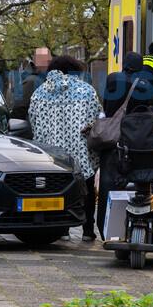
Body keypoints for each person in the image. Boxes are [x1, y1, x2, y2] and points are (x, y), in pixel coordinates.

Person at [29, 56, 101, 241]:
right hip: (81, 152)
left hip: (51, 156)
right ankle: (87, 230)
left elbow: (33, 121)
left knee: (56, 190)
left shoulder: (39, 93)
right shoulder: (86, 91)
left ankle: (62, 229)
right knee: (87, 189)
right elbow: (97, 118)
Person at [97, 51, 153, 239]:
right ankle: (129, 226)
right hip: (135, 141)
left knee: (107, 182)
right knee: (136, 182)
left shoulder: (113, 79)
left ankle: (103, 227)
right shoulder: (145, 85)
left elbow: (106, 106)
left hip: (112, 139)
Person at [11, 47, 51, 122]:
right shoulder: (32, 82)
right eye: (47, 61)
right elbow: (19, 110)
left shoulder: (43, 79)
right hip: (31, 130)